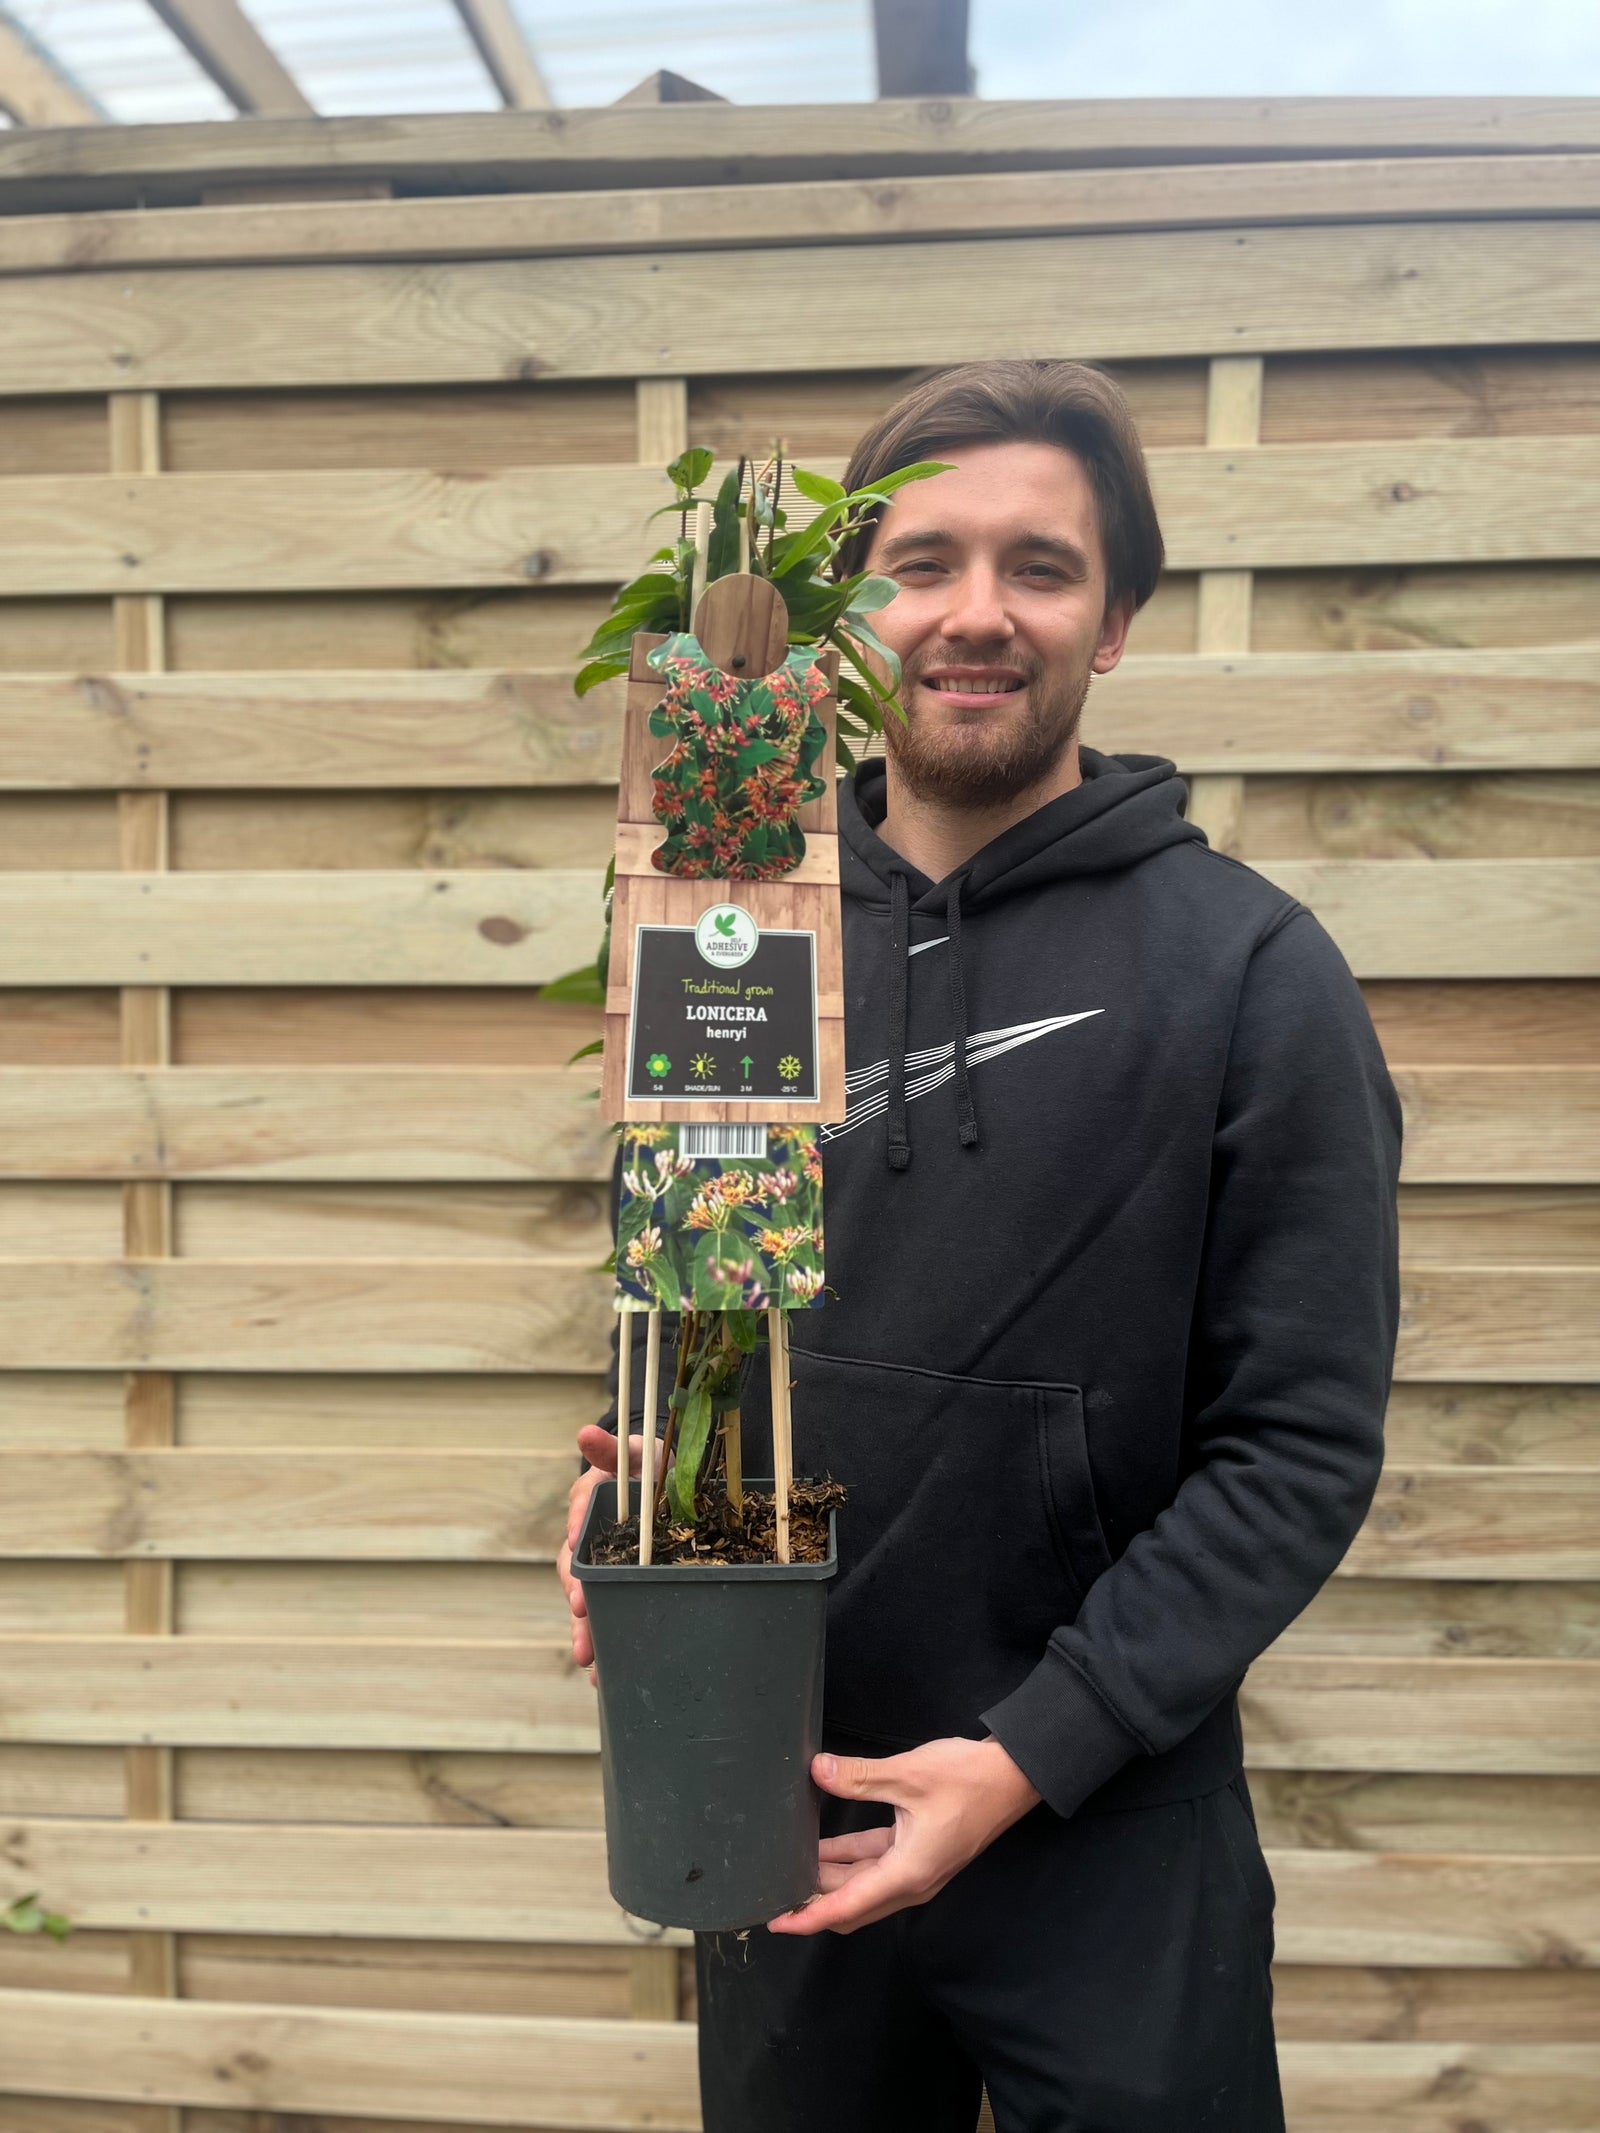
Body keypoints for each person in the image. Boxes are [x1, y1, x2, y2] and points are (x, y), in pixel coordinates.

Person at [559, 359, 1401, 2133]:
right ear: (848, 618)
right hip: (789, 1781)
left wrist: (1034, 1751)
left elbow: (1299, 1442)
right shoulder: (735, 925)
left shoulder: (1254, 972)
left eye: (1042, 565)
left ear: (1116, 623)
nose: (976, 612)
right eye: (921, 561)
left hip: (1111, 1820)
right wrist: (651, 1499)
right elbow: (714, 1310)